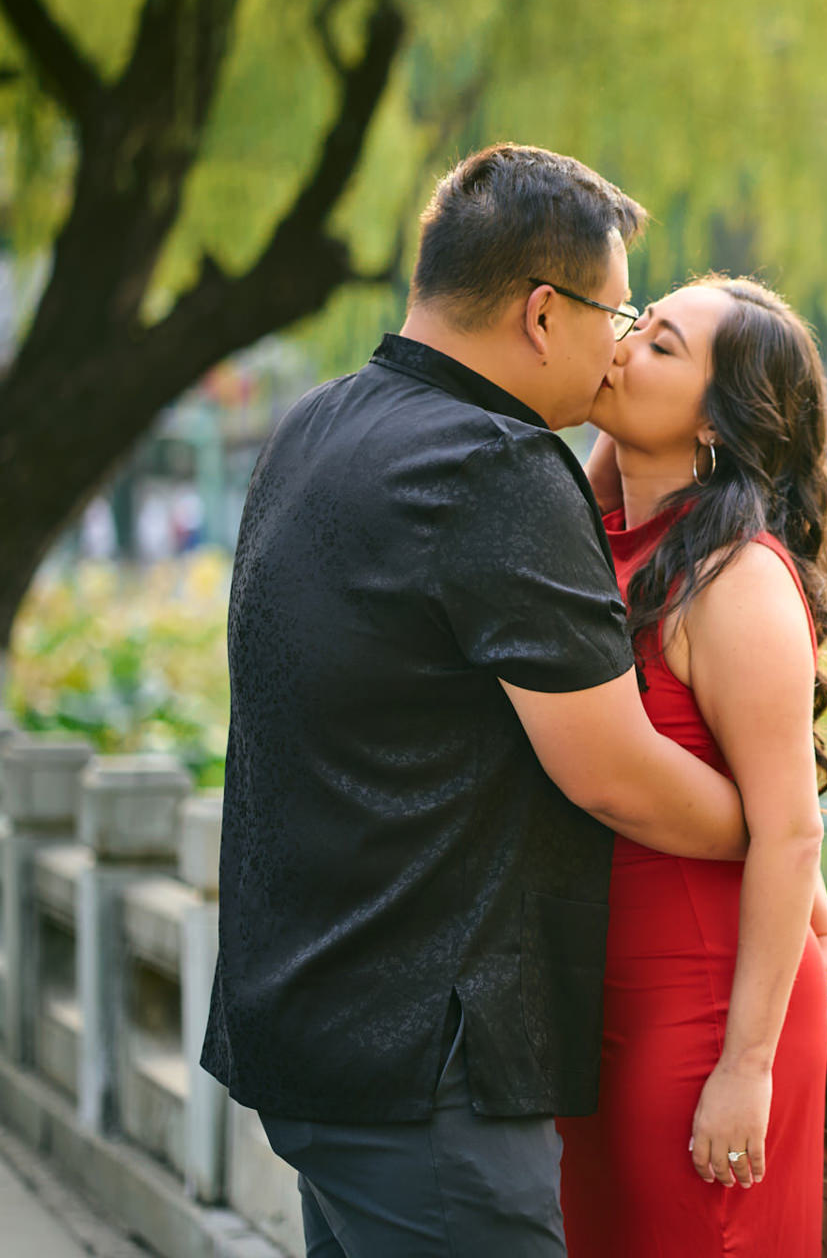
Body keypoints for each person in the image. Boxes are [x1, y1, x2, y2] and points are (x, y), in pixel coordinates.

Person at [202, 144, 749, 1258]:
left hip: (309, 1025)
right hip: (426, 1064)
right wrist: (775, 825)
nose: (618, 346)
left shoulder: (318, 425)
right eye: (617, 311)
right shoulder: (492, 466)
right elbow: (612, 767)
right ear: (545, 312)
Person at [557, 275, 827, 1257]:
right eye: (636, 323)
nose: (620, 346)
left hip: (702, 1013)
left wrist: (747, 1066)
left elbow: (787, 821)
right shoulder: (605, 536)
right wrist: (608, 421)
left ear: (718, 422)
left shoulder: (735, 578)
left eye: (660, 347)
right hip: (598, 1002)